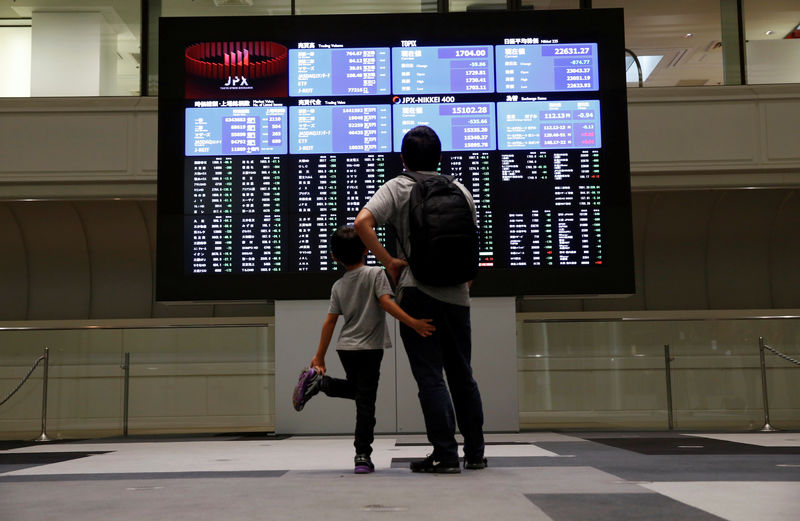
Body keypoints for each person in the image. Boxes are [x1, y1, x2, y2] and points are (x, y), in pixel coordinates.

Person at [354, 125, 486, 474]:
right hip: (458, 296)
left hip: (418, 293)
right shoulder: (460, 189)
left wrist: (390, 262)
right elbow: (472, 242)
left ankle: (444, 454)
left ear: (404, 158)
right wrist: (464, 282)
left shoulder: (398, 187)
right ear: (439, 157)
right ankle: (475, 453)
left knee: (430, 376)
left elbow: (362, 223)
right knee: (463, 375)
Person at [292, 225, 436, 474]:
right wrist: (412, 323)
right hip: (370, 348)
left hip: (345, 348)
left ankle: (321, 384)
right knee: (366, 403)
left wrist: (320, 355)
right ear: (367, 250)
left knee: (360, 394)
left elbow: (330, 321)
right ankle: (362, 455)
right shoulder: (376, 274)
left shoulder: (338, 286)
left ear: (334, 257)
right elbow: (386, 304)